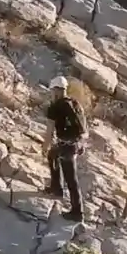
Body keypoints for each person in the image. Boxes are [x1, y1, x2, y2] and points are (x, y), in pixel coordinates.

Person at [42, 76, 87, 221]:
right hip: (76, 143)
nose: (51, 93)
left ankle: (77, 212)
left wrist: (45, 146)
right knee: (52, 155)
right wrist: (82, 144)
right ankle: (56, 188)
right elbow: (83, 125)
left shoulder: (55, 107)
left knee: (71, 179)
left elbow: (49, 131)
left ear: (56, 90)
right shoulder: (75, 103)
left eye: (52, 91)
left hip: (67, 146)